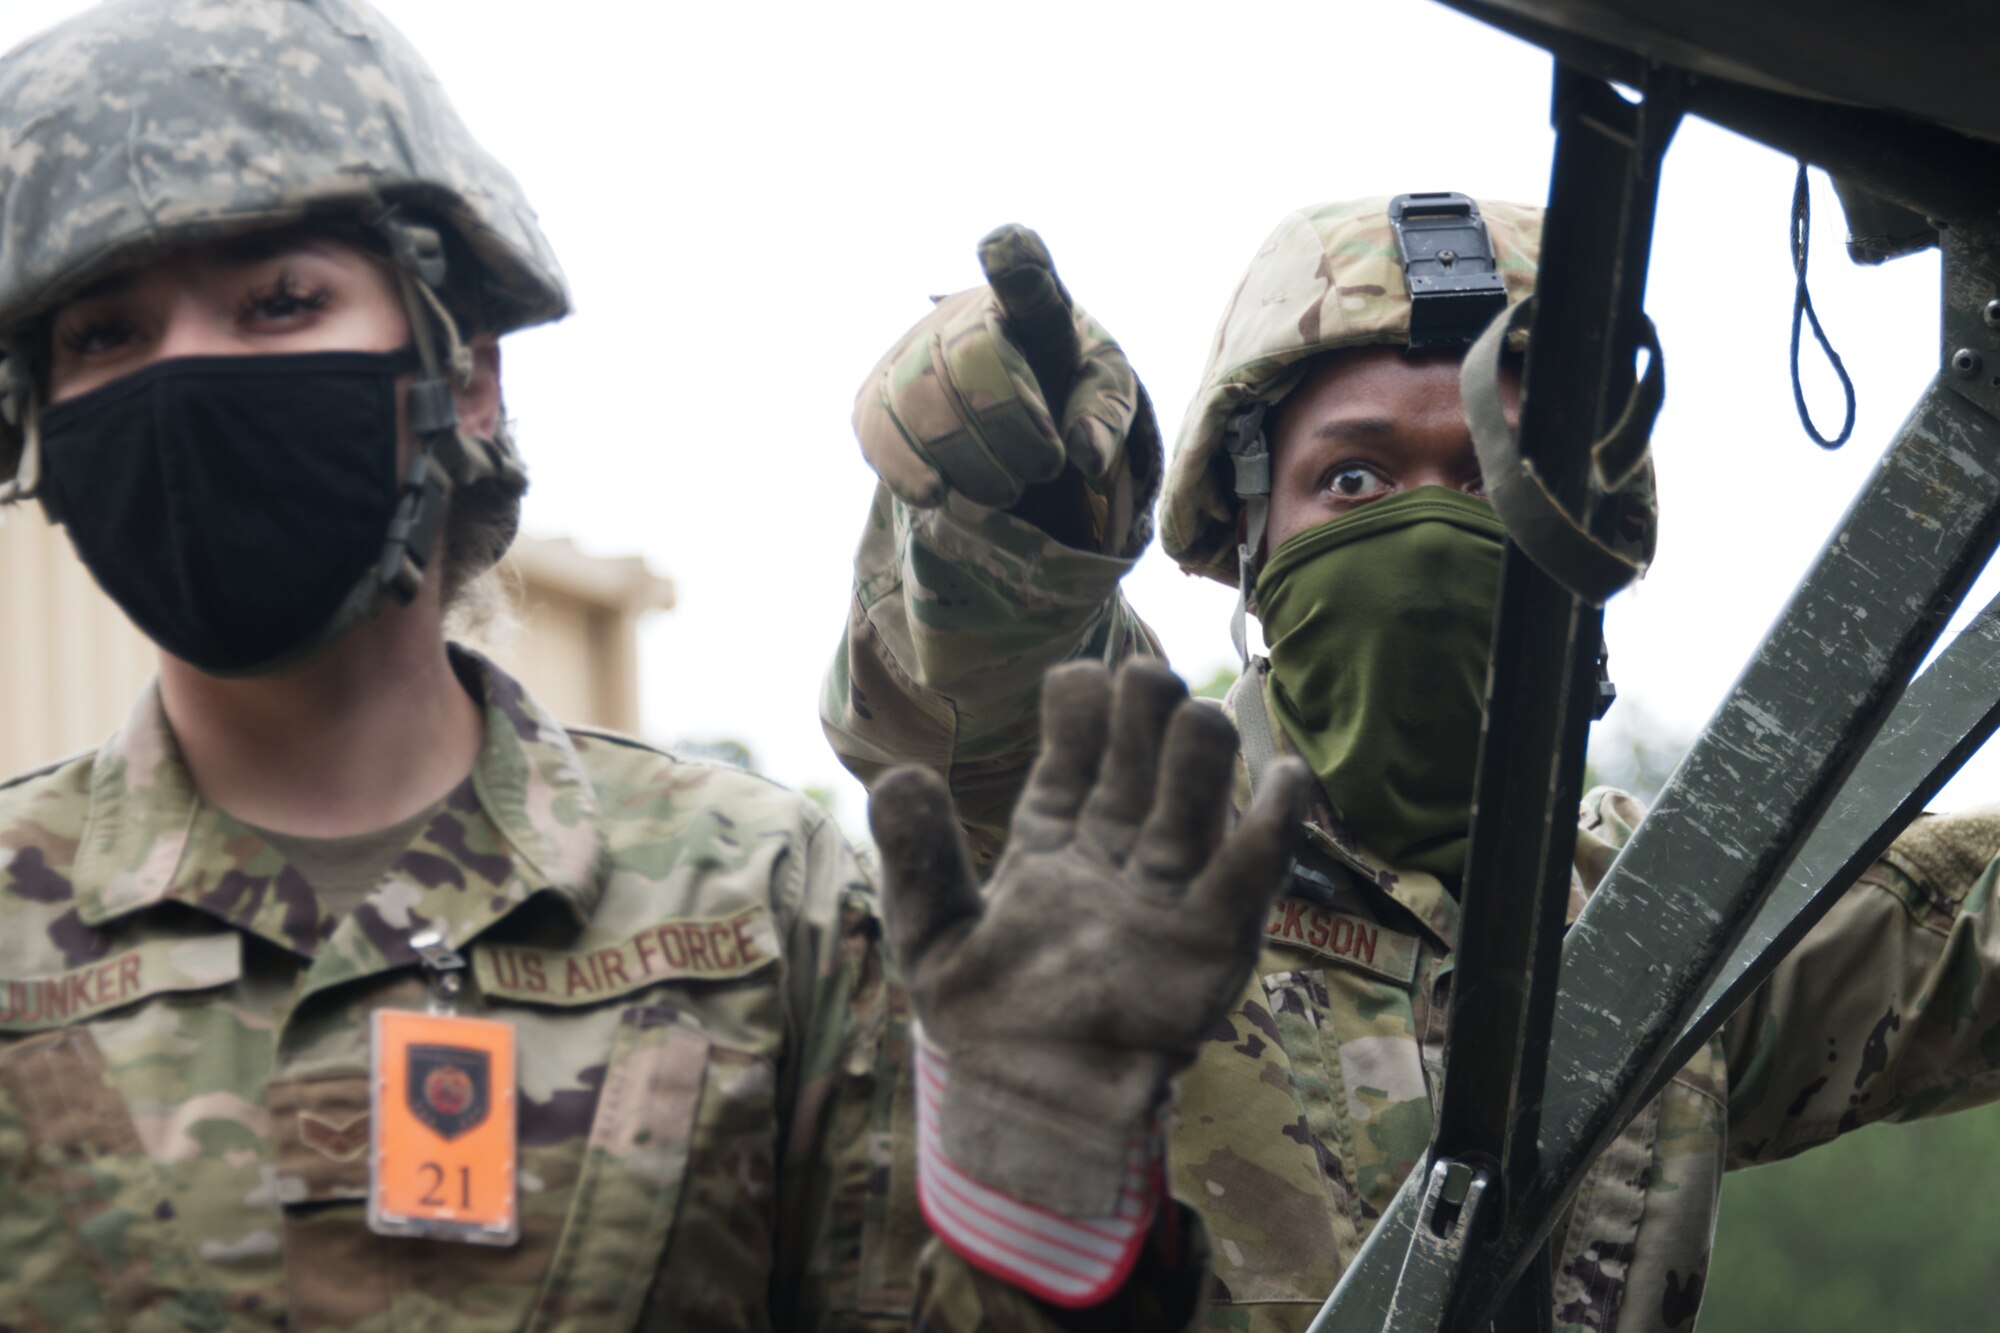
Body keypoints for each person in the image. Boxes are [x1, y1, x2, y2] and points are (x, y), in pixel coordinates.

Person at [0, 2, 1312, 1328]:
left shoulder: (760, 907)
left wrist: (1047, 1184)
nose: (187, 378)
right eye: (102, 335)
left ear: (463, 376)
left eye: (278, 302)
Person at [823, 200, 2000, 1332]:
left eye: (1496, 482)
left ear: (1586, 545)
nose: (1430, 532)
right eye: (1352, 479)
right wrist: (1006, 519)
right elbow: (967, 683)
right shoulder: (1118, 839)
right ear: (1250, 532)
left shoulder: (1659, 915)